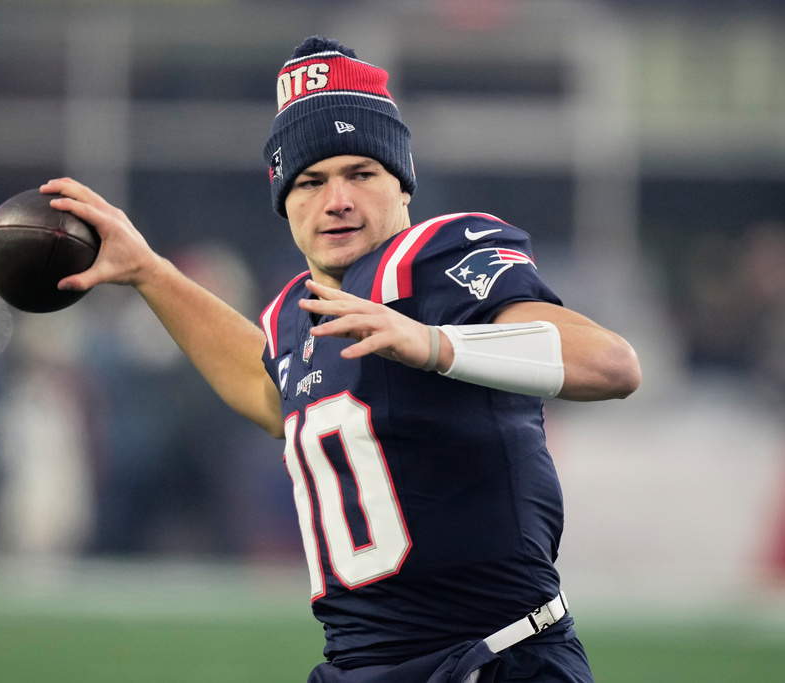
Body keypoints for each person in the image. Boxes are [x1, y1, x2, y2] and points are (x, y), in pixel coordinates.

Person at [40, 35, 640, 683]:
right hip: (361, 669)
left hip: (493, 659)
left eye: (361, 172)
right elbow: (269, 390)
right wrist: (150, 274)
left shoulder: (433, 261)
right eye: (311, 180)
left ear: (402, 184)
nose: (337, 199)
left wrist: (433, 344)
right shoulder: (295, 315)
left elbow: (611, 363)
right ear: (284, 199)